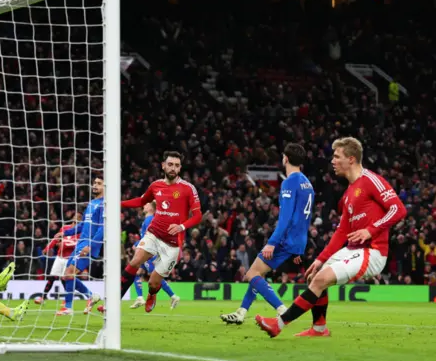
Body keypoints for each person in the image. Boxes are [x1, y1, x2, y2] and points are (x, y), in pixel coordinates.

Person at [256, 137, 407, 337]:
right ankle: (319, 328)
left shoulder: (371, 180)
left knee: (321, 279)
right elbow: (342, 232)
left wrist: (370, 230)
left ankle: (279, 324)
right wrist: (320, 259)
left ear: (351, 159)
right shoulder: (348, 193)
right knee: (313, 276)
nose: (332, 161)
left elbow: (398, 209)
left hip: (372, 252)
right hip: (354, 249)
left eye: (337, 157)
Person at [221, 143, 314, 324]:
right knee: (257, 272)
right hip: (298, 239)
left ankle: (282, 310)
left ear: (286, 158)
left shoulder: (290, 182)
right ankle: (241, 312)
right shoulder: (307, 183)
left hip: (285, 238)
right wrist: (299, 247)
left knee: (251, 274)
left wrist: (272, 242)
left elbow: (285, 218)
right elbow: (305, 217)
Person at [107, 151, 201, 313]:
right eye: (170, 164)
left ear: (180, 168)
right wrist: (118, 203)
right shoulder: (156, 185)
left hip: (172, 243)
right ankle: (113, 302)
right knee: (135, 261)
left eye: (177, 165)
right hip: (154, 234)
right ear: (163, 165)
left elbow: (198, 215)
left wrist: (181, 227)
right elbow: (141, 201)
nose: (173, 168)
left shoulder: (188, 188)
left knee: (153, 283)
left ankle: (152, 294)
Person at [55, 177, 104, 316]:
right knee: (66, 275)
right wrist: (65, 233)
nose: (95, 185)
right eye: (94, 183)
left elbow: (102, 228)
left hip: (88, 245)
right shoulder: (92, 203)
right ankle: (91, 295)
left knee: (69, 273)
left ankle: (68, 307)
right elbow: (83, 225)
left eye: (99, 184)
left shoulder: (103, 204)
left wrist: (91, 245)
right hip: (81, 243)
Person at [130, 201, 180, 310]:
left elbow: (151, 237)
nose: (144, 205)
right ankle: (139, 297)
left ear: (151, 208)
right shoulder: (147, 220)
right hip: (146, 250)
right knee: (136, 272)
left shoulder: (150, 219)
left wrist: (137, 244)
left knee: (155, 277)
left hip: (149, 252)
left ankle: (173, 296)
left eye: (146, 204)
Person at [34, 212, 82, 305]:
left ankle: (67, 300)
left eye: (79, 217)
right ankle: (43, 297)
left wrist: (65, 243)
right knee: (52, 277)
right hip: (60, 257)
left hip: (70, 259)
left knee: (65, 278)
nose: (77, 218)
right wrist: (47, 248)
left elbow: (77, 244)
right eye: (76, 216)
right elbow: (56, 239)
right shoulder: (64, 228)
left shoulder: (80, 232)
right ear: (73, 218)